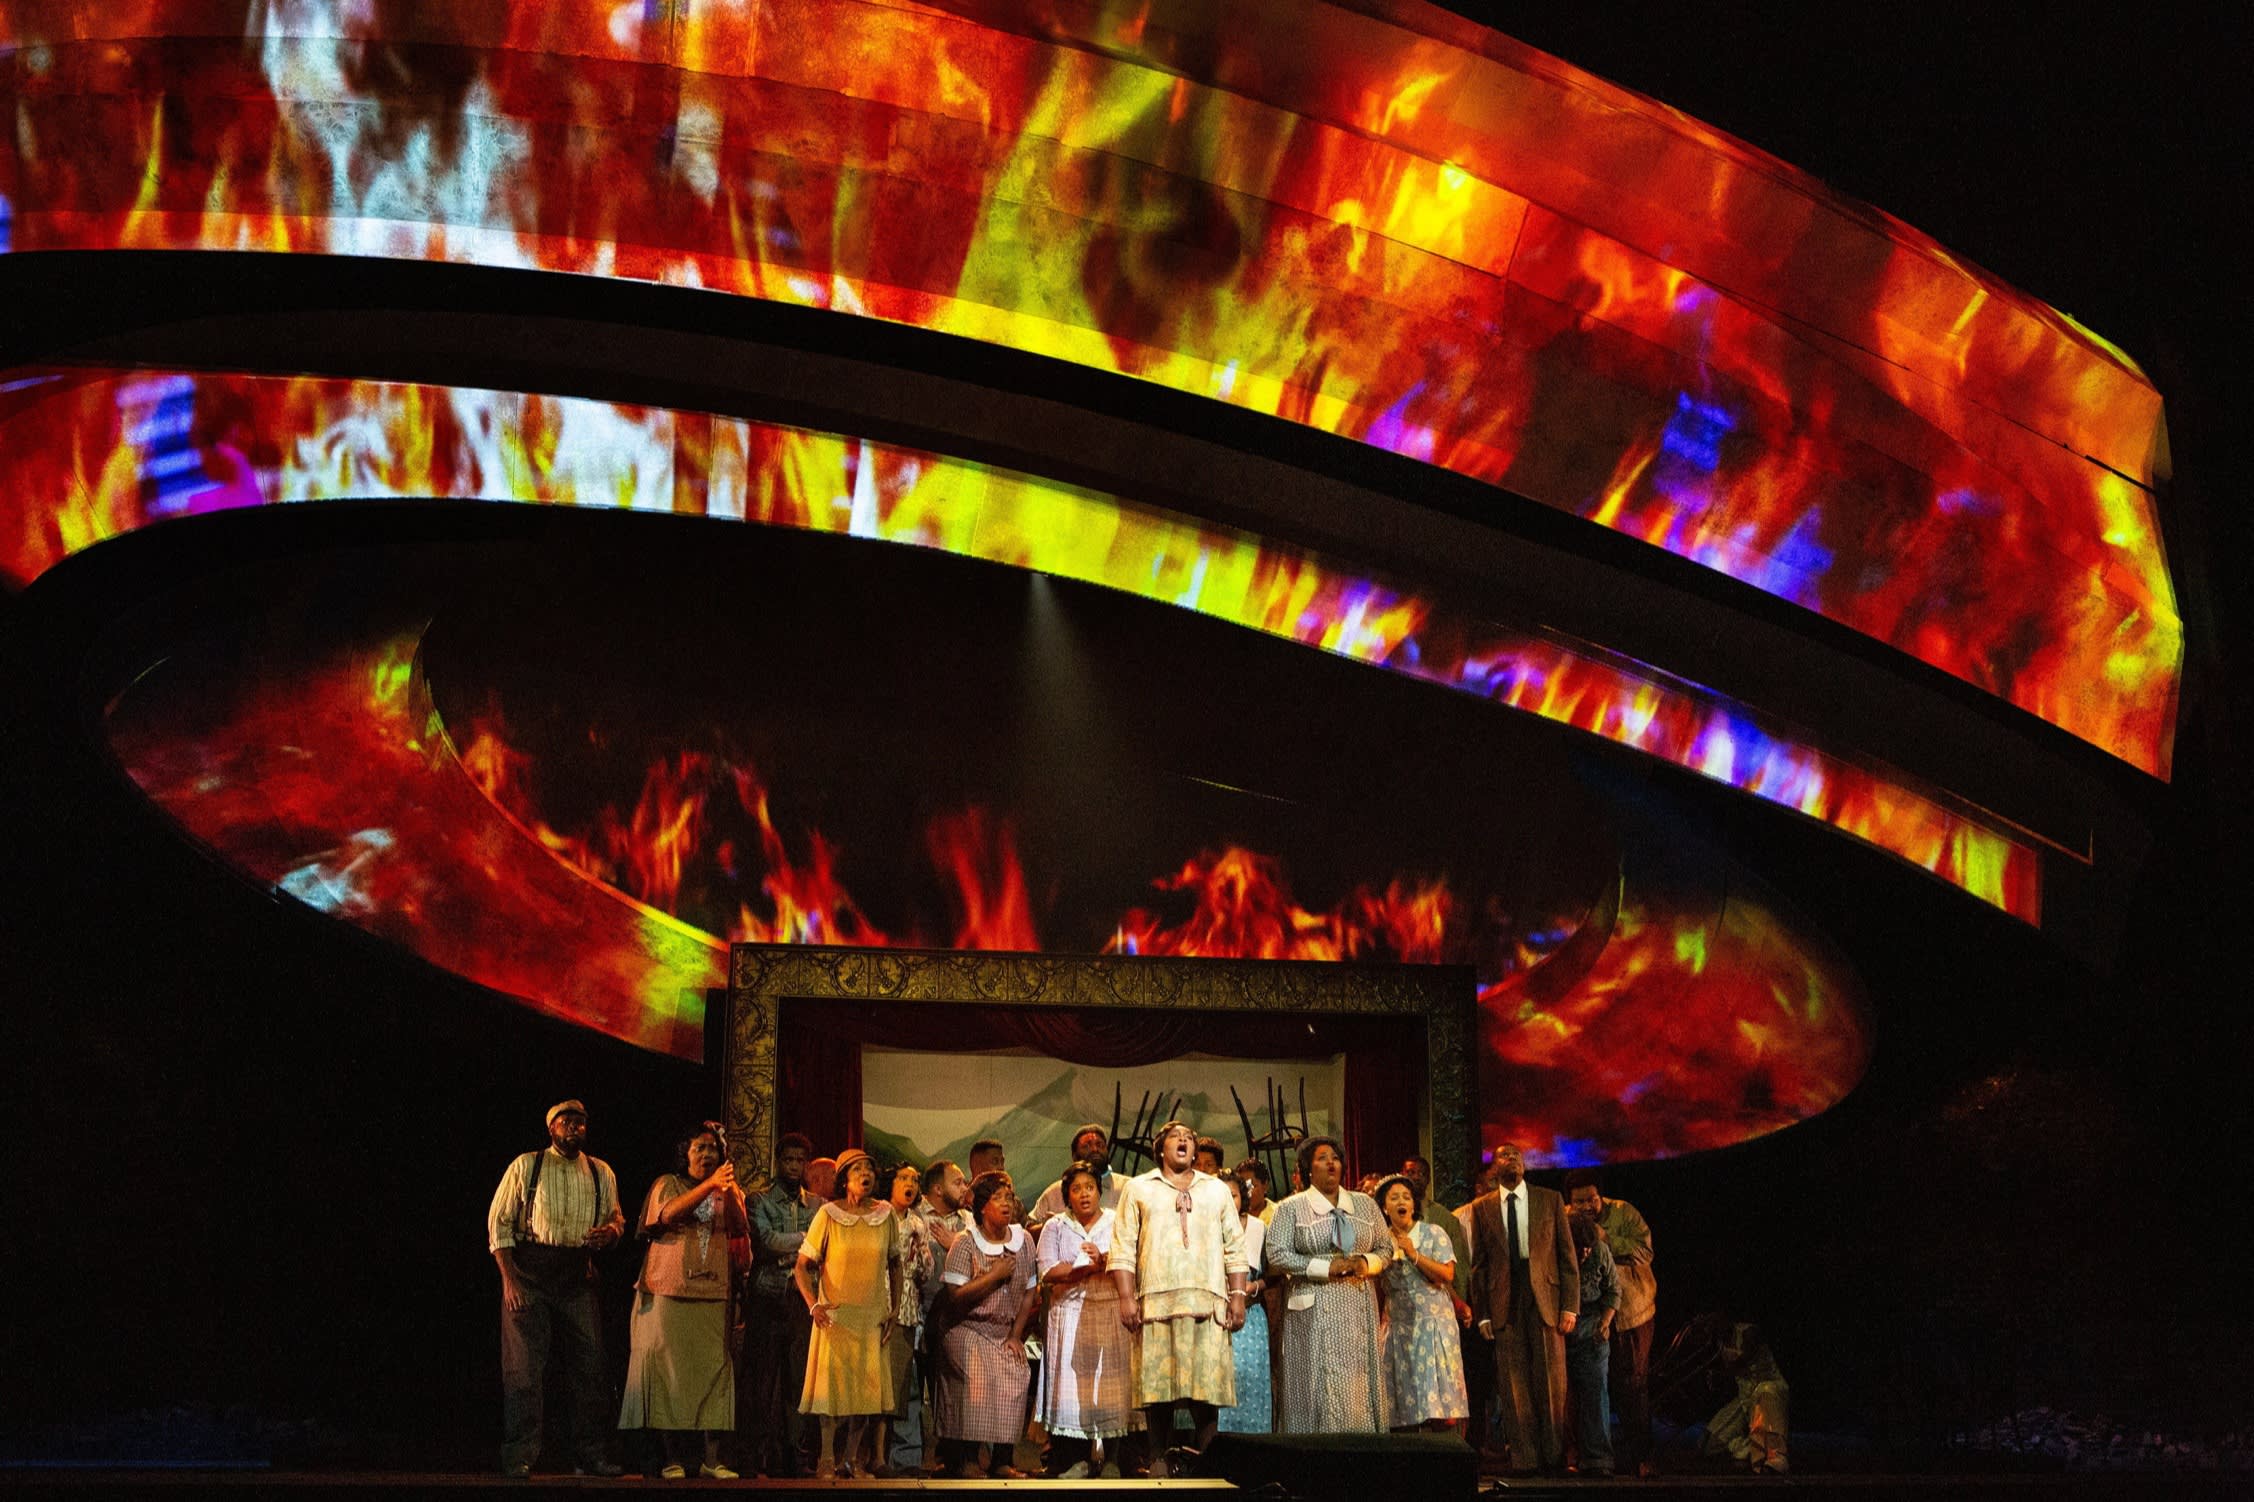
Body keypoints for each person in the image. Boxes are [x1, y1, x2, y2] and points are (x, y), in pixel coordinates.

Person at [486, 1099, 627, 1478]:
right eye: (566, 1122)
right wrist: (509, 1280)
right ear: (551, 1128)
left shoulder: (600, 1172)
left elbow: (616, 1218)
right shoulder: (527, 1166)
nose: (574, 1128)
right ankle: (520, 1455)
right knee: (523, 1370)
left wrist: (611, 1233)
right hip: (529, 1274)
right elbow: (498, 1224)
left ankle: (591, 1454)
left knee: (591, 1367)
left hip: (575, 1276)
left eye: (580, 1122)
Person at [1111, 1121, 1249, 1473]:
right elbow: (1123, 1246)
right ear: (1160, 1148)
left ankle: (1211, 1463)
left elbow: (1235, 1247)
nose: (1184, 1140)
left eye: (1189, 1137)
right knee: (1158, 1389)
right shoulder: (1139, 1188)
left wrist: (1237, 1296)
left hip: (1207, 1301)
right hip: (1156, 1302)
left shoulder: (1215, 1189)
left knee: (1206, 1389)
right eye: (1176, 1136)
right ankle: (1157, 1458)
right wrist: (1127, 1298)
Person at [619, 1123, 747, 1479]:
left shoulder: (724, 1190)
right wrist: (709, 1185)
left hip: (712, 1291)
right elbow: (667, 1215)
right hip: (668, 1290)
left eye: (712, 1150)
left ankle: (711, 1459)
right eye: (700, 1149)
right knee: (667, 1375)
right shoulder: (666, 1183)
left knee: (713, 1373)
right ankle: (670, 1457)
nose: (708, 1155)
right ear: (684, 1154)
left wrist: (731, 1190)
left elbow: (738, 1226)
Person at [1466, 1143, 1578, 1476]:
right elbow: (1479, 1267)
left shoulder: (1549, 1199)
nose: (1511, 1158)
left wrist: (1570, 1306)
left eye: (1516, 1155)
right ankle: (1525, 1460)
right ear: (1493, 1169)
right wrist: (1483, 1313)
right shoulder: (1482, 1207)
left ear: (1525, 1166)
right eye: (1503, 1155)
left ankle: (1554, 1458)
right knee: (1513, 1384)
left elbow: (1566, 1257)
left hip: (1544, 1297)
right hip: (1505, 1300)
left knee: (1551, 1380)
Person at [1264, 1136, 1390, 1433]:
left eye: (1335, 1157)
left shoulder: (1364, 1204)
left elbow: (1386, 1247)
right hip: (1311, 1304)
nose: (1331, 1162)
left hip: (1355, 1303)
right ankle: (1311, 1449)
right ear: (1308, 1168)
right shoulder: (1291, 1207)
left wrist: (1364, 1263)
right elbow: (1277, 1254)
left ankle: (1359, 1443)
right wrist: (1323, 1267)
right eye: (1322, 1158)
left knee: (1355, 1379)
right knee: (1312, 1376)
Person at [795, 1148, 902, 1479]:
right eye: (857, 1170)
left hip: (871, 1315)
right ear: (844, 1180)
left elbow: (895, 1263)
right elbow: (802, 1266)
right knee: (832, 1391)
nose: (865, 1175)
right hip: (836, 1315)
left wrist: (894, 1308)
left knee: (866, 1393)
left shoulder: (885, 1215)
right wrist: (813, 1304)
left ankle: (853, 1460)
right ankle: (827, 1457)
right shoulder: (829, 1214)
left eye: (869, 1169)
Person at [1035, 1162, 1136, 1475]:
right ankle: (1074, 1459)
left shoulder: (1116, 1222)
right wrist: (1086, 1268)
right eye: (1076, 1189)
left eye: (1089, 1187)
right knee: (1072, 1389)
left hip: (1109, 1310)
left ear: (1099, 1191)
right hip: (1069, 1313)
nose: (1084, 1194)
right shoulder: (1055, 1226)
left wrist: (1104, 1260)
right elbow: (1048, 1271)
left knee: (1113, 1386)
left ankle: (1113, 1460)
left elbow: (1129, 1262)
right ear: (1067, 1195)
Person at [935, 1171, 1038, 1478]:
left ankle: (1003, 1459)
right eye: (997, 1198)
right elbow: (955, 1296)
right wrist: (993, 1276)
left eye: (1009, 1197)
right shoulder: (966, 1243)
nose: (1006, 1203)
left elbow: (1030, 1290)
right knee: (977, 1376)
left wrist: (1016, 1335)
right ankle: (967, 1459)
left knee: (1016, 1371)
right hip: (966, 1328)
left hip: (1002, 1331)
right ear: (982, 1206)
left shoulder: (1025, 1241)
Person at [1565, 1169, 1657, 1477]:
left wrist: (1607, 1240)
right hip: (1586, 1318)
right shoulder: (1564, 1218)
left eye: (1592, 1199)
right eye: (1580, 1202)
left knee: (1632, 1385)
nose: (1587, 1207)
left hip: (1631, 1314)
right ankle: (1586, 1455)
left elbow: (1645, 1250)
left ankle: (1641, 1457)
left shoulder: (1623, 1212)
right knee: (1584, 1387)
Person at [747, 1131, 820, 1476]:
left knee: (798, 1381)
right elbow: (765, 1242)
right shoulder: (759, 1200)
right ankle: (754, 1454)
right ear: (779, 1162)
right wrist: (807, 1241)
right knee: (761, 1381)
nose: (794, 1166)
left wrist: (802, 1250)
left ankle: (793, 1455)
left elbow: (825, 1251)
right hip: (767, 1296)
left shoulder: (818, 1205)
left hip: (803, 1301)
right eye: (788, 1159)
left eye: (799, 1160)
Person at [1375, 1172, 1468, 1433]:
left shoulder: (1433, 1233)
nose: (1401, 1201)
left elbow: (1446, 1275)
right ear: (1385, 1206)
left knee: (1439, 1407)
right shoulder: (1380, 1240)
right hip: (1399, 1330)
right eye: (1394, 1198)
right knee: (1402, 1410)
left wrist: (1414, 1254)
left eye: (1406, 1196)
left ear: (1414, 1204)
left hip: (1434, 1328)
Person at [876, 1163, 938, 1477]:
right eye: (904, 1178)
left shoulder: (918, 1222)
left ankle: (896, 1458)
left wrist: (922, 1252)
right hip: (879, 1304)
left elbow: (926, 1273)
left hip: (908, 1308)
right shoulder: (878, 1213)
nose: (910, 1183)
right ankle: (869, 1455)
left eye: (915, 1179)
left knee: (900, 1385)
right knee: (875, 1381)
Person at [1214, 1171, 1273, 1435]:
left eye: (1234, 1195)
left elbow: (1274, 1276)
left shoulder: (1259, 1228)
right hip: (1215, 1317)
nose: (1228, 1200)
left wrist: (1254, 1286)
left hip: (1250, 1319)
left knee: (1249, 1384)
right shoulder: (1205, 1228)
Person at [1564, 1212, 1620, 1476]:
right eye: (1579, 1247)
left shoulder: (1600, 1252)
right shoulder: (1556, 1252)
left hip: (1592, 1327)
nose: (1585, 1252)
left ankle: (1598, 1459)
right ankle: (1565, 1456)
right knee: (1562, 1399)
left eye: (1588, 1247)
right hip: (1560, 1329)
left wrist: (1605, 1322)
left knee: (1595, 1393)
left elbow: (1613, 1290)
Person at [1402, 1156, 1472, 1301]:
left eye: (1421, 1174)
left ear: (1428, 1179)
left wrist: (1460, 1302)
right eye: (1410, 1172)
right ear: (1401, 1175)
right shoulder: (1388, 1214)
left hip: (1436, 1299)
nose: (1416, 1177)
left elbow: (1458, 1269)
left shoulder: (1444, 1218)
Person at [1028, 1125, 1125, 1227]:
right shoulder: (1056, 1191)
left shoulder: (1128, 1186)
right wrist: (1048, 1227)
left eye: (1100, 1145)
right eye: (1086, 1146)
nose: (1095, 1149)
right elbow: (1029, 1229)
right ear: (1074, 1156)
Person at [922, 1158, 972, 1254]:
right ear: (938, 1189)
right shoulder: (914, 1216)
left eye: (964, 1183)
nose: (965, 1189)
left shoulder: (970, 1220)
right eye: (958, 1183)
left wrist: (958, 1243)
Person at [1231, 1159, 1275, 1224]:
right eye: (1242, 1187)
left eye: (1250, 1186)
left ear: (1265, 1185)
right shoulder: (1233, 1215)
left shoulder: (1277, 1214)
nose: (1245, 1193)